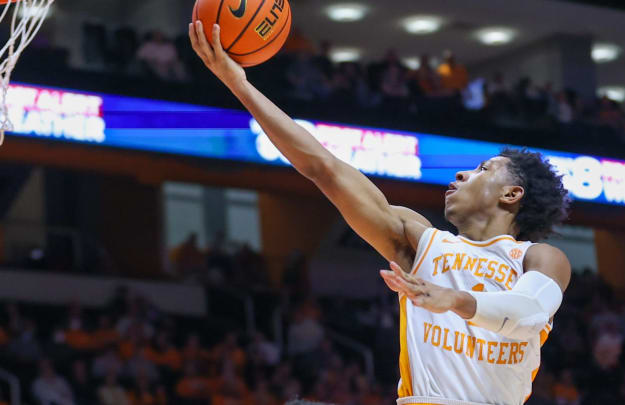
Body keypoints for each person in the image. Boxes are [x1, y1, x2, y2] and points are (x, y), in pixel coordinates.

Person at [189, 21, 571, 405]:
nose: (461, 173)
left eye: (483, 169)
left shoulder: (535, 259)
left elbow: (529, 313)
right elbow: (324, 168)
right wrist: (238, 84)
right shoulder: (420, 241)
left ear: (512, 194)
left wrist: (455, 300)